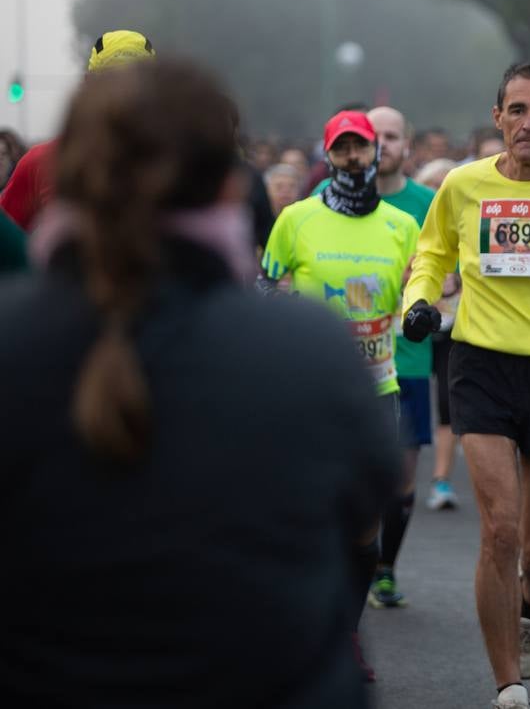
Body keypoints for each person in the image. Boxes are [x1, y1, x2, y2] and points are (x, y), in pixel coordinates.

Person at [0, 59, 399, 707]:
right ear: (226, 189)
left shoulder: (13, 344)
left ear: (63, 179)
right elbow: (362, 507)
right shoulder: (308, 351)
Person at [401, 62, 530, 709]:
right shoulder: (463, 185)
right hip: (481, 365)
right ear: (498, 119)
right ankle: (508, 684)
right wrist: (422, 300)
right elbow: (432, 253)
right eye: (517, 111)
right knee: (501, 531)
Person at [259, 108, 421, 680]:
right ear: (328, 156)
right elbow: (265, 286)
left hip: (377, 390)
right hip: (307, 391)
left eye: (362, 148)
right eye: (343, 149)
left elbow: (421, 295)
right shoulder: (296, 219)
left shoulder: (402, 227)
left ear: (376, 153)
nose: (354, 158)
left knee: (364, 525)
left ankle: (346, 634)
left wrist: (422, 316)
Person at [308, 106, 439, 610]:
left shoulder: (425, 205)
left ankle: (384, 566)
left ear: (403, 145)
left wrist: (432, 301)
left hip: (405, 362)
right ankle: (343, 577)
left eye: (388, 136)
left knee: (399, 481)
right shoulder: (315, 207)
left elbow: (446, 275)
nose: (375, 146)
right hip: (340, 371)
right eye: (370, 135)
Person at [1, 30, 157, 231]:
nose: (122, 92)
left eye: (135, 80)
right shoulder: (39, 164)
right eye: (110, 78)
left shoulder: (179, 163)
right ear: (87, 82)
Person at [414, 157, 463, 512]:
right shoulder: (410, 222)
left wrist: (456, 279)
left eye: (446, 183)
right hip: (414, 325)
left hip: (455, 325)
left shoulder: (467, 217)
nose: (439, 190)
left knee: (448, 404)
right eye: (433, 184)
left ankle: (441, 479)